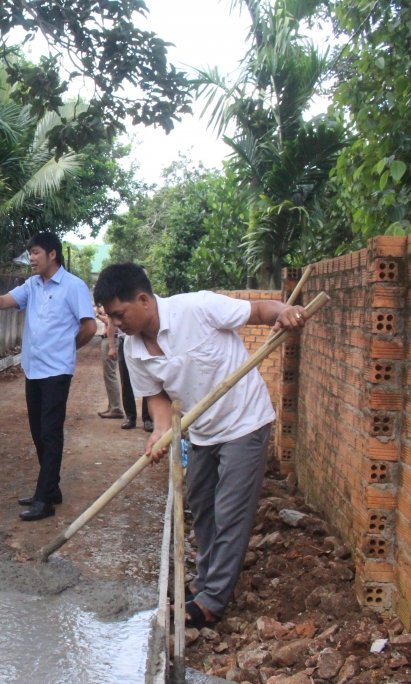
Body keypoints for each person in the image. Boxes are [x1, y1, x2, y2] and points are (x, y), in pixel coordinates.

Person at [94, 262, 309, 628]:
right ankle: (206, 579)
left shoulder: (197, 308)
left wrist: (285, 311)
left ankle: (213, 600)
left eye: (119, 314)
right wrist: (160, 431)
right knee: (201, 504)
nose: (116, 325)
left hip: (244, 420)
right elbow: (157, 398)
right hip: (201, 429)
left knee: (230, 512)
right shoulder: (133, 349)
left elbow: (259, 310)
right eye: (111, 318)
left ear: (143, 300)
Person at [0, 232, 97, 521]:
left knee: (50, 433)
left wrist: (67, 348)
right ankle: (50, 489)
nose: (32, 258)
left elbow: (89, 327)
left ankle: (45, 500)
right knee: (38, 432)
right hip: (34, 368)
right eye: (30, 253)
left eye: (36, 253)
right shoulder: (32, 285)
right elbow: (3, 302)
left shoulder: (73, 286)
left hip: (56, 370)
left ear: (53, 254)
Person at [112, 314, 153, 432]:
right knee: (126, 380)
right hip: (124, 342)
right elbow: (111, 323)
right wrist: (111, 345)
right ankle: (130, 417)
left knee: (148, 379)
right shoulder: (117, 307)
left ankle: (148, 418)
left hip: (143, 341)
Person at [94, 305, 123, 419]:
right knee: (108, 375)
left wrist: (97, 315)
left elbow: (110, 321)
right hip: (108, 339)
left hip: (112, 339)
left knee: (110, 374)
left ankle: (116, 407)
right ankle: (113, 406)